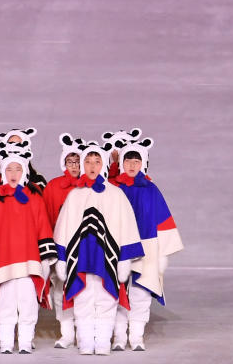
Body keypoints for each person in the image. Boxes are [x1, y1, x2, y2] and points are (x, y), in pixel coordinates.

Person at [54, 141, 143, 356]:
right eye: (88, 162)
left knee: (106, 297)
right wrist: (62, 258)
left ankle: (103, 341)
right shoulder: (74, 196)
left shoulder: (116, 195)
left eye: (97, 161)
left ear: (103, 164)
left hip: (107, 259)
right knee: (83, 297)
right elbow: (64, 227)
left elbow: (127, 226)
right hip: (81, 258)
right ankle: (85, 340)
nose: (92, 166)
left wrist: (124, 259)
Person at [0, 146, 56, 354]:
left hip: (29, 261)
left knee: (28, 304)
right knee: (5, 304)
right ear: (3, 172)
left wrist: (45, 260)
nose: (13, 174)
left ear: (24, 172)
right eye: (9, 170)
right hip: (4, 262)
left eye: (18, 170)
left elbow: (43, 227)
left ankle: (24, 342)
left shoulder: (35, 197)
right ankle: (6, 343)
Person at [111, 137, 183, 351]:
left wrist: (162, 255)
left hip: (147, 248)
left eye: (137, 161)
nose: (132, 166)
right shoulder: (113, 187)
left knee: (140, 292)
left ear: (143, 163)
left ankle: (136, 336)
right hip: (119, 248)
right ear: (122, 162)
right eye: (128, 161)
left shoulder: (151, 189)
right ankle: (118, 337)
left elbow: (162, 220)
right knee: (117, 291)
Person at [43, 133, 83, 348]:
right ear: (63, 163)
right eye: (70, 162)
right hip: (62, 248)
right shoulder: (53, 187)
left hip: (85, 247)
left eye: (78, 162)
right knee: (61, 289)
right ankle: (66, 331)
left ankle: (84, 330)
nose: (74, 166)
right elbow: (47, 217)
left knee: (85, 287)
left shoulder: (91, 187)